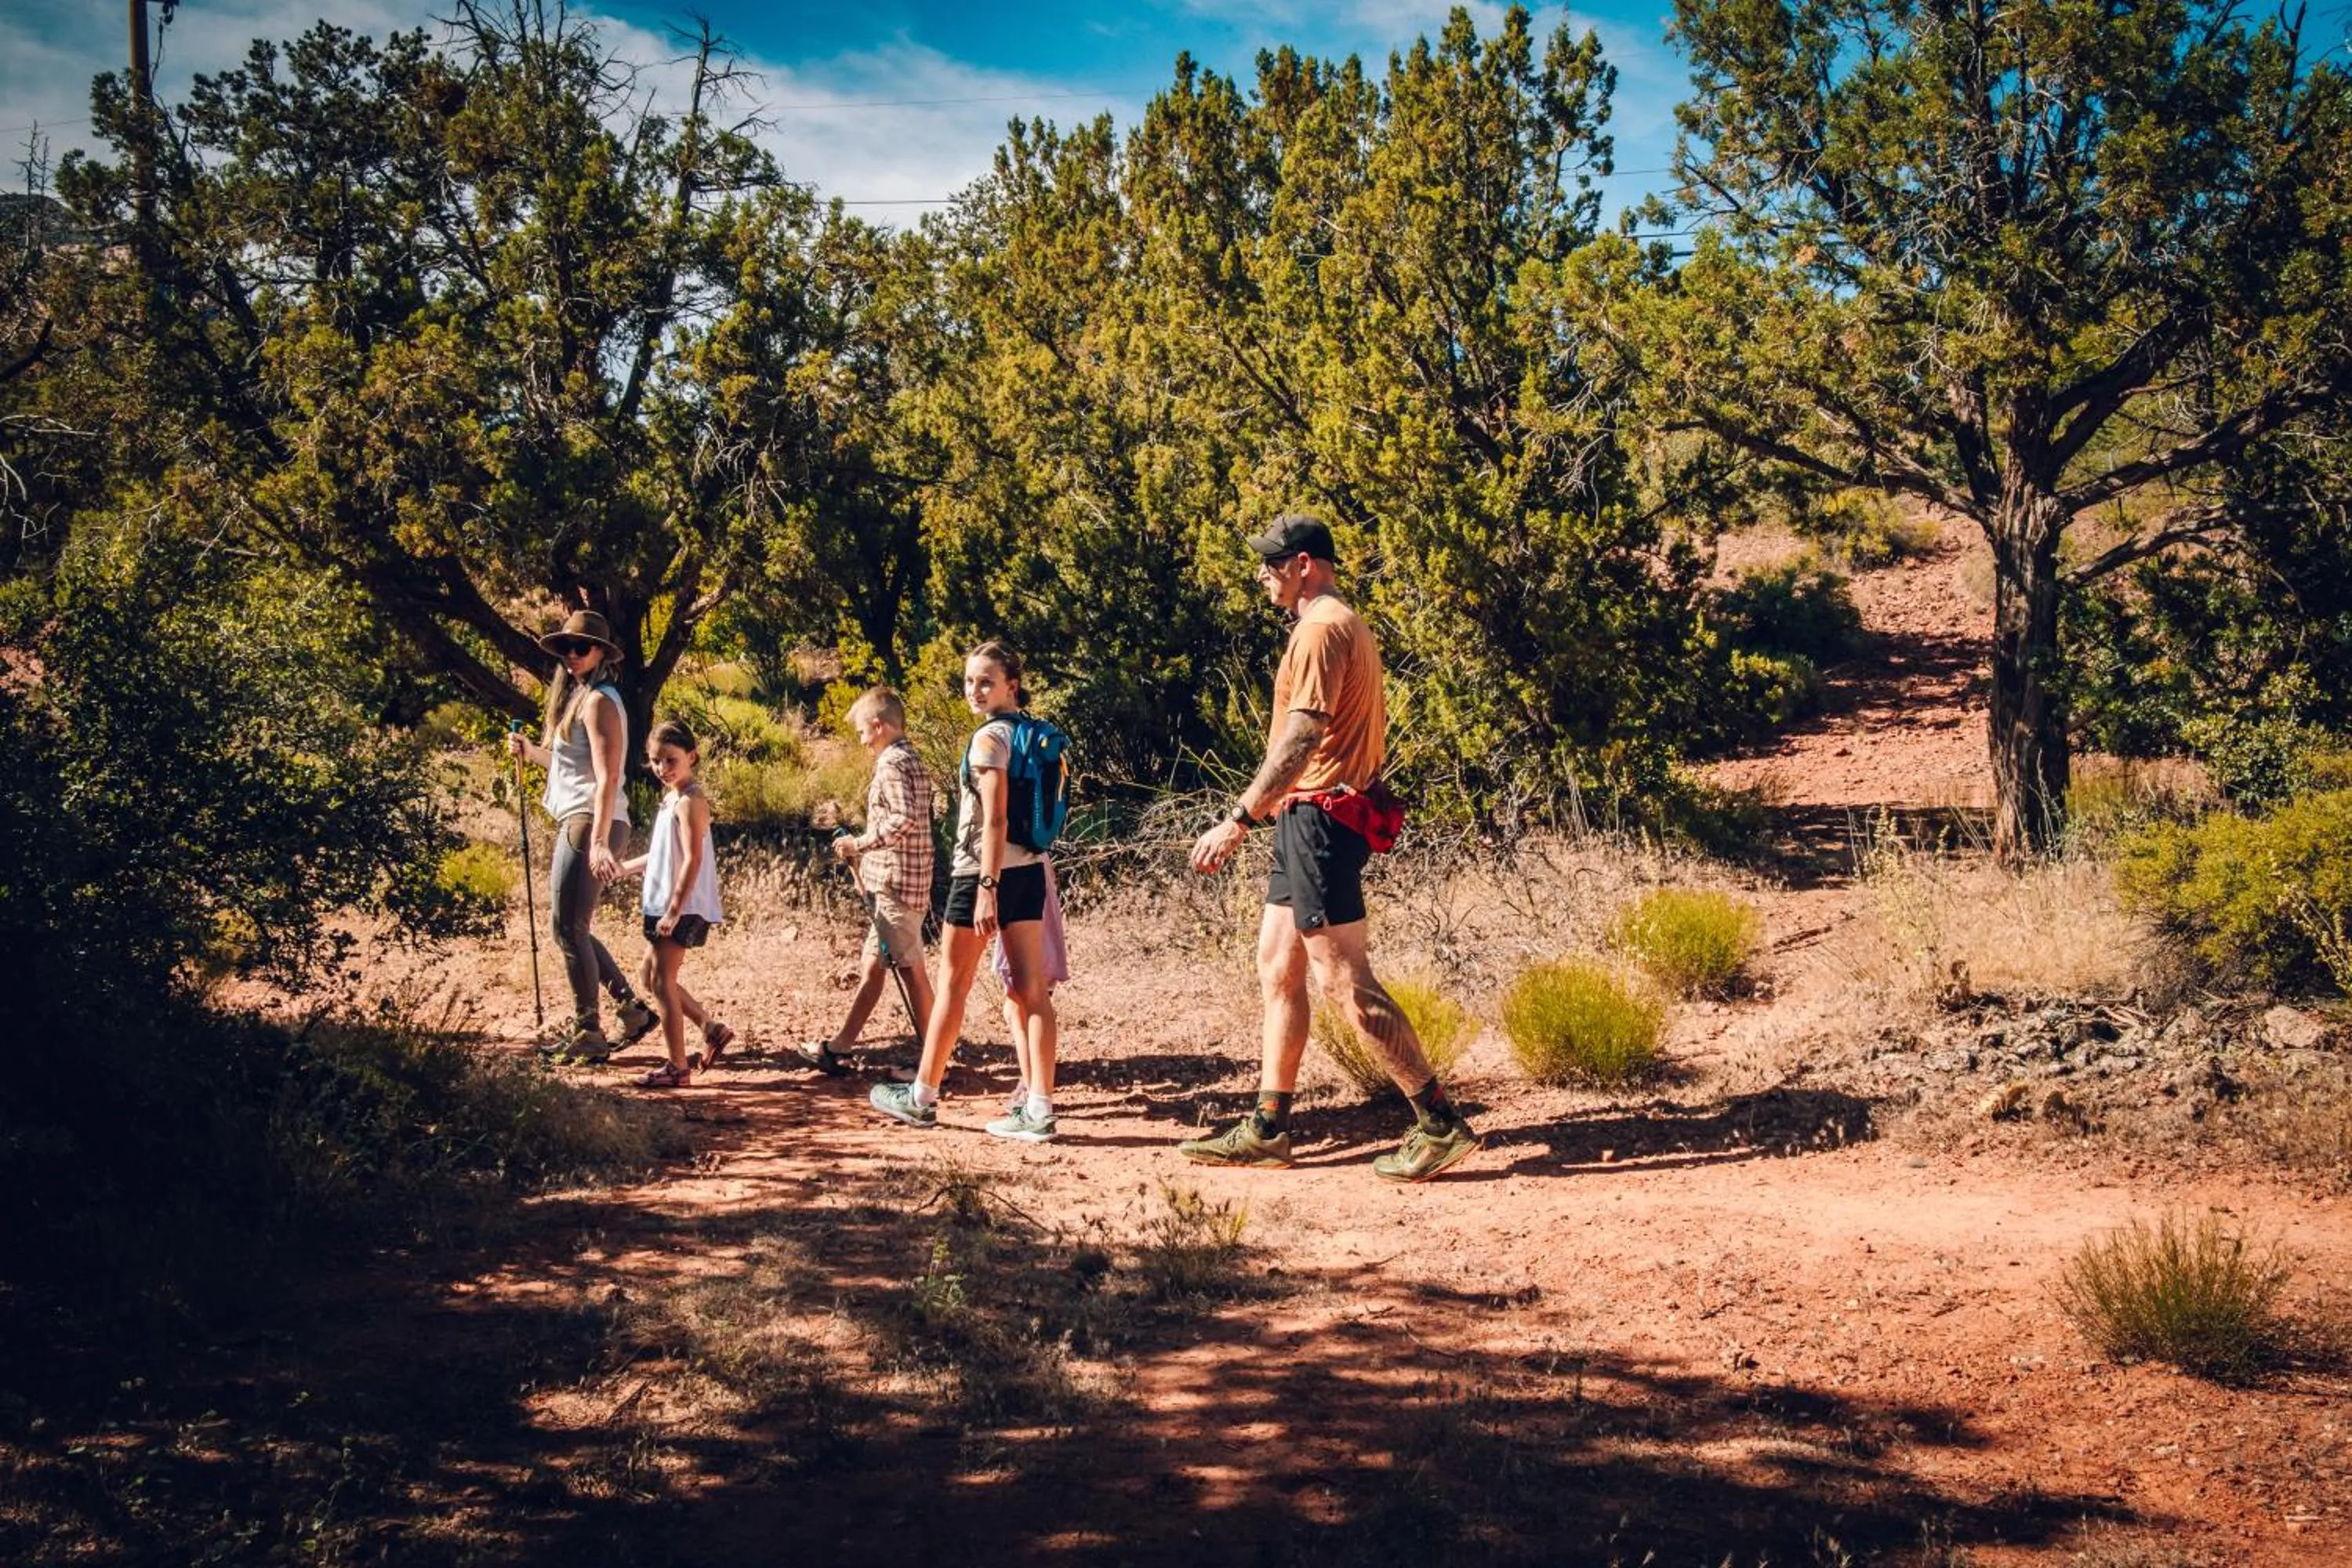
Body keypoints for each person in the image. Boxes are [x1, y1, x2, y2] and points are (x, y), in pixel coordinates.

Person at [1184, 514, 1479, 1181]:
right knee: (1277, 965)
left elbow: (1301, 738)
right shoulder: (1332, 623)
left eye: (1272, 562)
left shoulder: (1320, 628)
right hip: (1306, 818)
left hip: (1318, 818)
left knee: (1341, 977)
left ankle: (1439, 1122)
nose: (1263, 573)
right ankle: (1267, 1128)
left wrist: (1239, 818)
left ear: (1305, 565)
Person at [869, 642, 1062, 1142]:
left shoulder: (990, 740)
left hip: (982, 874)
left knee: (953, 985)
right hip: (1029, 871)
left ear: (1010, 686)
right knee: (1029, 989)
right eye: (969, 681)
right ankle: (1039, 1108)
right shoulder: (1028, 734)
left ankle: (922, 1097)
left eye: (985, 681)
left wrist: (985, 889)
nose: (974, 691)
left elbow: (994, 818)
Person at [506, 609, 656, 1062]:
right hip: (585, 816)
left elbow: (610, 776)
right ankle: (630, 1011)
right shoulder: (581, 697)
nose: (572, 655)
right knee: (572, 926)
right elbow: (572, 768)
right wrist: (532, 752)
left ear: (601, 654)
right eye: (567, 648)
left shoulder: (598, 701)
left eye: (581, 648)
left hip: (592, 820)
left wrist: (596, 840)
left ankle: (589, 1031)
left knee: (567, 927)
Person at [798, 686, 938, 1077]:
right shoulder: (911, 759)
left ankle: (933, 1061)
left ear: (878, 727)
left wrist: (857, 843)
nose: (860, 740)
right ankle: (839, 1048)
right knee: (874, 967)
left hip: (896, 885)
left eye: (862, 731)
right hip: (897, 881)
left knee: (911, 971)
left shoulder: (892, 764)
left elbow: (903, 819)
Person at [619, 718, 732, 1088]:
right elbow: (661, 854)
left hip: (680, 904)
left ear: (691, 757)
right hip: (663, 900)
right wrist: (622, 870)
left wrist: (674, 910)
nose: (662, 768)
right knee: (648, 976)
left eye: (671, 760)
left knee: (663, 981)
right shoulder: (672, 799)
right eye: (656, 761)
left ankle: (677, 1067)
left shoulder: (691, 801)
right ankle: (709, 1027)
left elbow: (692, 859)